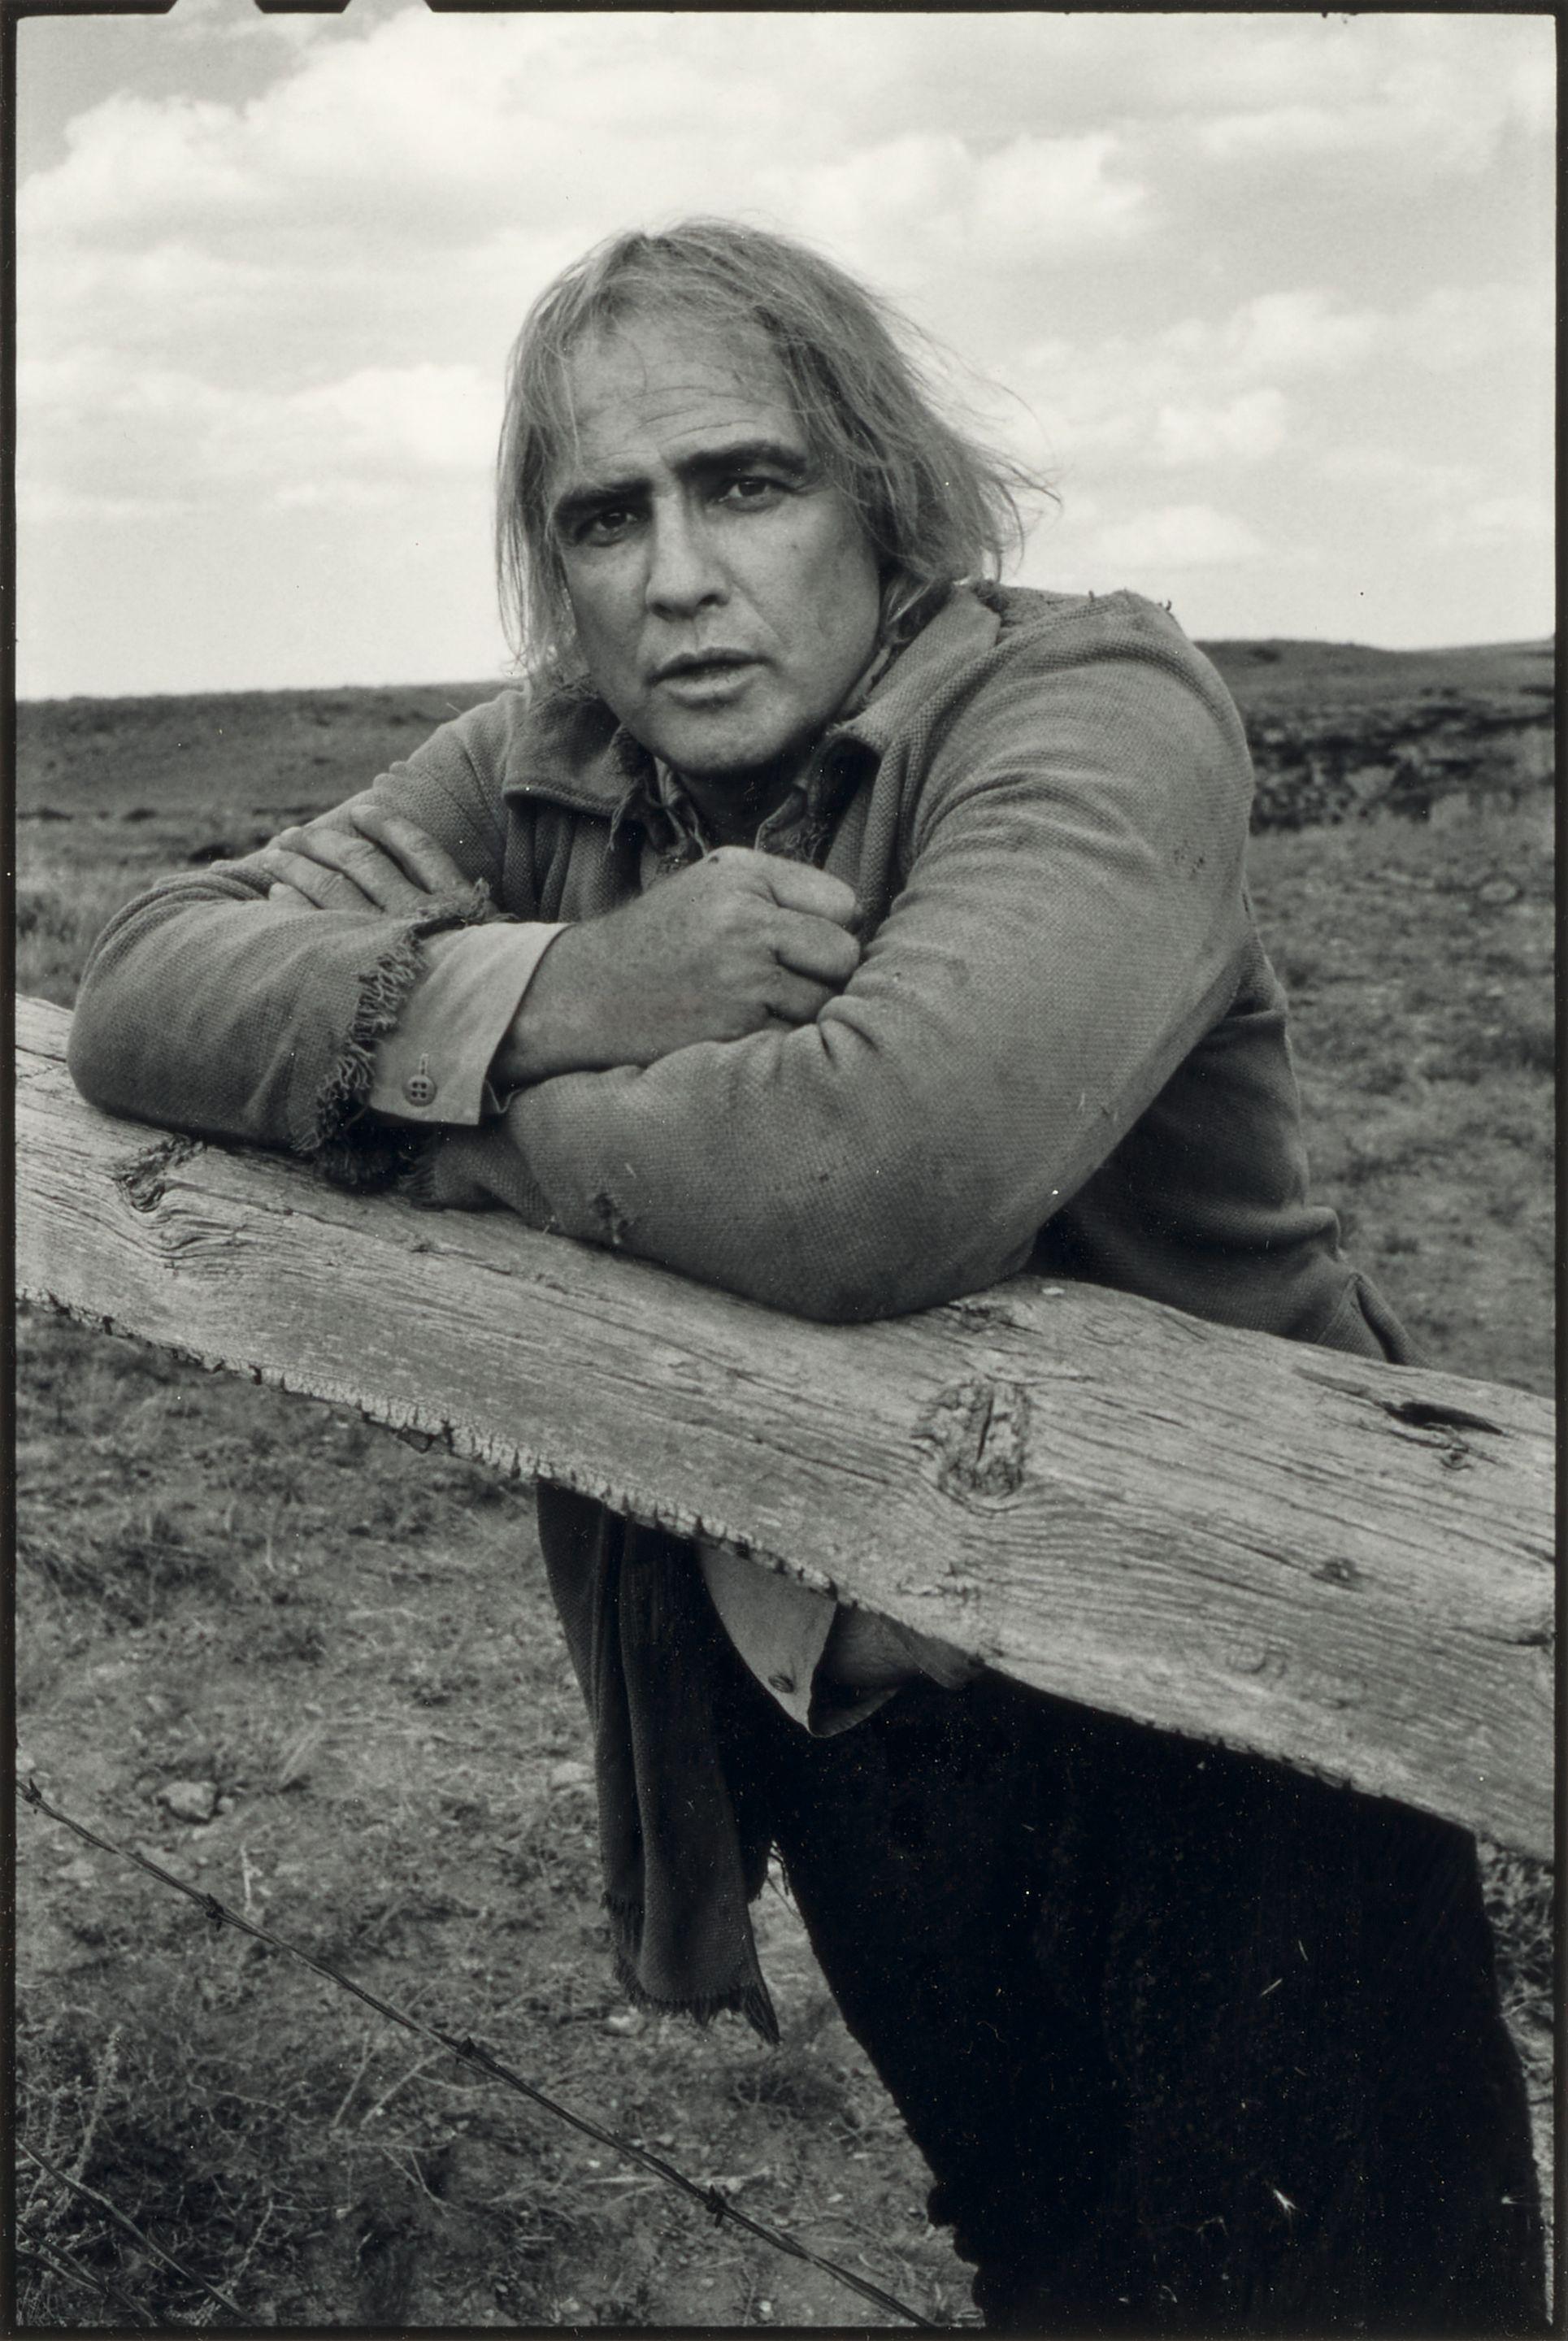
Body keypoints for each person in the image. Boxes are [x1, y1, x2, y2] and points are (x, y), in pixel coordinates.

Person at [68, 219, 1545, 2333]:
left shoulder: (1091, 705)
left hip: (1230, 1723)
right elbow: (142, 987)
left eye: (743, 485)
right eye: (604, 515)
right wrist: (572, 982)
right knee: (1047, 2263)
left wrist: (451, 1104)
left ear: (879, 494)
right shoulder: (551, 761)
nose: (673, 574)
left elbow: (867, 1170)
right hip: (845, 1736)